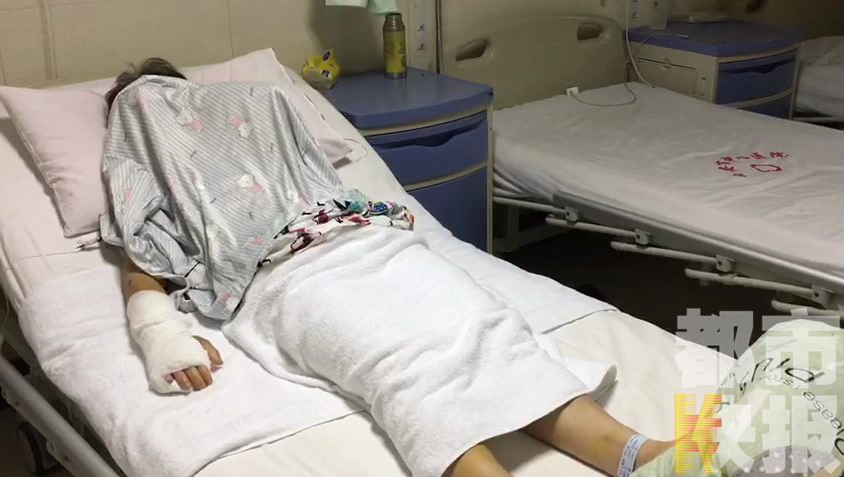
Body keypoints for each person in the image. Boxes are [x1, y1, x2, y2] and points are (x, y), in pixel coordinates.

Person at [103, 58, 674, 477]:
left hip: (368, 239)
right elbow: (140, 259)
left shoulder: (257, 119)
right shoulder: (150, 165)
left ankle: (643, 458)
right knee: (402, 367)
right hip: (284, 278)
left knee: (490, 331)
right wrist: (160, 336)